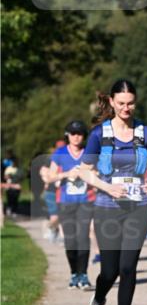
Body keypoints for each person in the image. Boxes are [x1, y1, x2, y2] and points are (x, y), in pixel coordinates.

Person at [79, 79, 147, 305]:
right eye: (121, 103)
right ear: (112, 102)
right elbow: (84, 171)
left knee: (128, 268)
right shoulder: (99, 134)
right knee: (109, 271)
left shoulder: (144, 133)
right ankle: (98, 300)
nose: (127, 108)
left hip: (138, 208)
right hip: (107, 208)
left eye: (131, 103)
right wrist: (107, 187)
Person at [42, 121, 96, 289]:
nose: (76, 137)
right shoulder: (60, 153)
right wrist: (67, 174)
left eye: (79, 133)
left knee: (83, 238)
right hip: (65, 202)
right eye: (73, 133)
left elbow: (99, 173)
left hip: (86, 201)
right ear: (68, 135)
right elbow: (50, 177)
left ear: (84, 136)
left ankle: (84, 275)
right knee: (70, 240)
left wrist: (86, 174)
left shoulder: (89, 152)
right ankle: (74, 274)